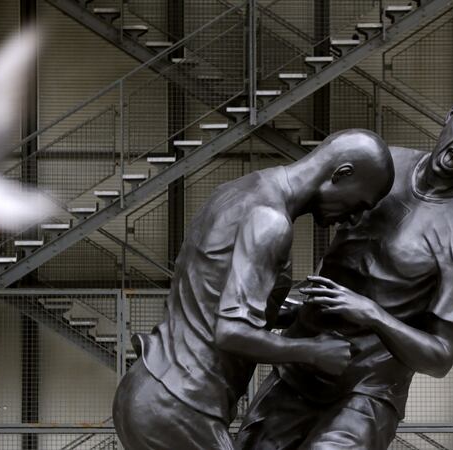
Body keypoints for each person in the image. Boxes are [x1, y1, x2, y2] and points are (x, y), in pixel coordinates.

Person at [236, 84, 453, 450]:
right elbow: (293, 200)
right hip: (300, 361)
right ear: (452, 113)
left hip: (367, 391)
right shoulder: (381, 163)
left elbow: (439, 356)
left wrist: (372, 314)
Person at [112, 129, 395, 450]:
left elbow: (211, 289)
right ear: (342, 174)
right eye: (359, 203)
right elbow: (231, 333)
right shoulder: (270, 222)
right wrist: (314, 351)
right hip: (179, 404)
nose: (355, 218)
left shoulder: (240, 190)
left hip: (151, 389)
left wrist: (294, 311)